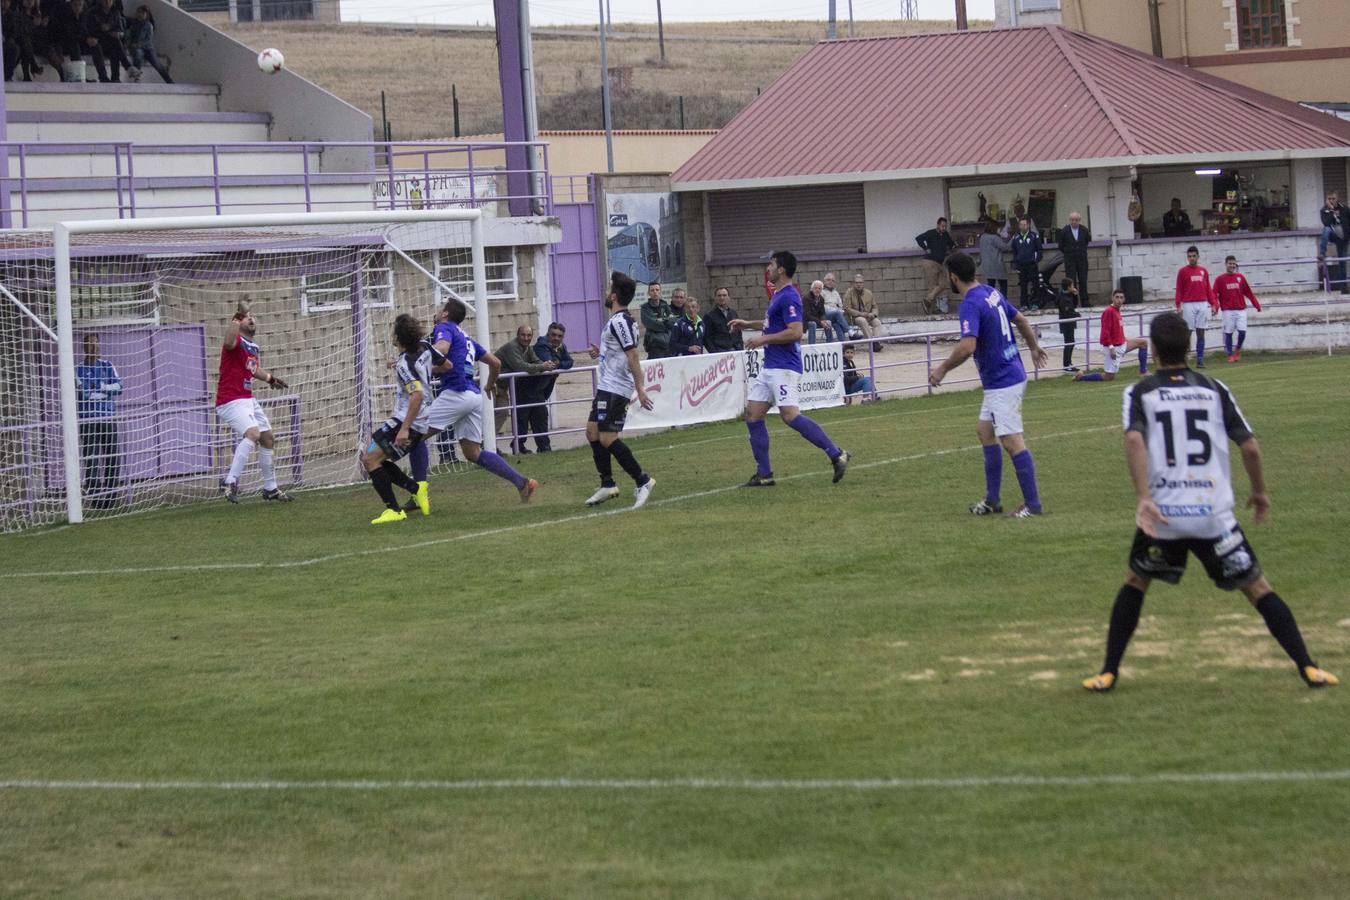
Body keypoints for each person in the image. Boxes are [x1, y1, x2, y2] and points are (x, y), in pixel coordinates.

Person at [1082, 311, 1338, 692]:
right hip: (1213, 517)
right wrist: (1259, 492)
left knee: (1136, 582)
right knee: (1258, 589)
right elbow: (1249, 446)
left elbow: (1134, 440)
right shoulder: (1215, 388)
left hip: (1164, 516)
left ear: (1152, 349)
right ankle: (1309, 667)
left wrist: (1142, 498)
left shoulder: (1140, 391)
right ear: (1188, 346)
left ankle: (1108, 673)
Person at [928, 252, 1049, 518]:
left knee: (1011, 440)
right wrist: (1033, 347)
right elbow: (1022, 320)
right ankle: (993, 500)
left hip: (1002, 381)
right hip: (1010, 373)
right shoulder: (990, 292)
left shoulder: (971, 303)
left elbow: (968, 346)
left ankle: (1033, 504)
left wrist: (942, 369)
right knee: (985, 431)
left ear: (953, 277)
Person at [729, 250, 850, 487]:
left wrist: (762, 340)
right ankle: (764, 474)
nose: (768, 269)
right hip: (771, 366)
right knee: (752, 415)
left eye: (772, 265)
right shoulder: (779, 295)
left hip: (784, 367)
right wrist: (749, 324)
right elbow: (772, 324)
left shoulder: (790, 296)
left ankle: (837, 454)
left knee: (790, 416)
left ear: (782, 269)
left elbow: (796, 331)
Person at [423, 297, 538, 503]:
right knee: (473, 452)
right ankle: (522, 483)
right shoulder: (466, 338)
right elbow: (495, 362)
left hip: (456, 393)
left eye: (441, 307)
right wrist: (490, 384)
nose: (438, 310)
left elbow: (441, 349)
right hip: (473, 396)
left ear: (446, 314)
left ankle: (413, 494)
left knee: (414, 434)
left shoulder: (444, 327)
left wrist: (417, 361)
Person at [584, 272, 656, 509]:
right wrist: (601, 354)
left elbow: (633, 354)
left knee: (606, 437)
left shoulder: (620, 321)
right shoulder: (619, 320)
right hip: (607, 385)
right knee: (593, 432)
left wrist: (640, 387)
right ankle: (607, 483)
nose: (606, 294)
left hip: (615, 388)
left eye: (608, 290)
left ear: (614, 295)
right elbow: (621, 351)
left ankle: (642, 480)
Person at [215, 302, 293, 504]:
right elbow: (229, 343)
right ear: (239, 322)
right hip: (230, 400)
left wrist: (270, 378)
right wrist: (237, 317)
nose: (251, 319)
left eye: (253, 316)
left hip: (247, 399)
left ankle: (270, 488)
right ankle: (229, 481)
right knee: (253, 434)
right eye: (247, 317)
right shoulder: (236, 340)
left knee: (267, 438)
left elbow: (253, 369)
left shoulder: (253, 346)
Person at [362, 314, 433, 525]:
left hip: (408, 420)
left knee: (370, 460)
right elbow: (445, 365)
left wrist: (404, 429)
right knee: (375, 459)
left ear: (398, 337)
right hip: (420, 419)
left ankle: (394, 510)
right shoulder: (425, 349)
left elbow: (417, 394)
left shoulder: (404, 364)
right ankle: (416, 489)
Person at [75, 333, 122, 509]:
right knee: (92, 460)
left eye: (96, 344)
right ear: (84, 348)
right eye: (90, 344)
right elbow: (85, 394)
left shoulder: (108, 366)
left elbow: (119, 387)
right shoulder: (77, 369)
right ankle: (96, 499)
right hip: (88, 420)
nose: (94, 347)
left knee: (112, 458)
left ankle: (110, 498)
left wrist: (102, 387)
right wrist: (104, 392)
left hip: (108, 418)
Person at [495, 325, 556, 453]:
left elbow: (536, 361)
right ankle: (487, 446)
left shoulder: (528, 348)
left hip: (502, 388)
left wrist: (546, 365)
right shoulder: (512, 347)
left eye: (529, 336)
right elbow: (521, 366)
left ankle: (489, 446)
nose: (526, 338)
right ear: (518, 335)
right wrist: (543, 366)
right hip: (489, 385)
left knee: (502, 413)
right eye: (523, 335)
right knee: (493, 414)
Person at [517, 321, 572, 452]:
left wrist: (558, 364)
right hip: (526, 388)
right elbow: (549, 363)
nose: (556, 338)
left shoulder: (561, 347)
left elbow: (570, 362)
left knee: (540, 417)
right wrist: (558, 363)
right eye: (553, 335)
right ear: (548, 334)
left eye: (559, 336)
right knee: (522, 419)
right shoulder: (541, 345)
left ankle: (543, 447)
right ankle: (519, 447)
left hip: (539, 390)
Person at [1073, 289, 1149, 382]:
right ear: (1112, 298)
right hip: (1113, 348)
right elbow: (1105, 332)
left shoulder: (1117, 310)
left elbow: (1117, 329)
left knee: (1143, 343)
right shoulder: (1109, 311)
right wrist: (1111, 348)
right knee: (1108, 377)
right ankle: (1081, 377)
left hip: (1122, 344)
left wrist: (1124, 338)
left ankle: (1143, 372)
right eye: (1117, 297)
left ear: (1124, 299)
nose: (1119, 300)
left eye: (1121, 297)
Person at [1175, 245, 1218, 368]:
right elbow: (1179, 289)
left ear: (1198, 256)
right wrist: (1178, 304)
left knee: (1201, 332)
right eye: (1189, 256)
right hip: (1189, 304)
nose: (1192, 258)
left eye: (1194, 256)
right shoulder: (1182, 271)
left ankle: (1200, 359)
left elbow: (1208, 289)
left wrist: (1213, 304)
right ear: (1187, 258)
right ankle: (1184, 358)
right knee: (1187, 333)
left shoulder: (1203, 271)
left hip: (1202, 304)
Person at [1213, 255, 1262, 362]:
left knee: (1242, 332)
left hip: (1241, 310)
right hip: (1227, 310)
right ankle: (1230, 355)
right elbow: (1214, 294)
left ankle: (1238, 349)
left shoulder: (1240, 277)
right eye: (1230, 263)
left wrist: (1256, 304)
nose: (1232, 266)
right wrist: (1215, 307)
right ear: (1226, 264)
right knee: (1229, 333)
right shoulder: (1220, 279)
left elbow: (1249, 292)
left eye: (1234, 264)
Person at [83, 0, 136, 82]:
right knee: (98, 46)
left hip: (109, 41)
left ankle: (116, 77)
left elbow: (121, 31)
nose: (107, 2)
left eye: (110, 0)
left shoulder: (116, 12)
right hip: (95, 41)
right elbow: (87, 29)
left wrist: (118, 33)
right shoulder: (92, 12)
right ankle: (104, 77)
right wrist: (100, 29)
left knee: (115, 43)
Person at [916, 217, 958, 314]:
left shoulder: (945, 235)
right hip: (930, 261)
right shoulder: (931, 233)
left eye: (945, 226)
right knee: (932, 285)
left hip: (940, 263)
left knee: (945, 283)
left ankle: (927, 299)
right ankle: (931, 310)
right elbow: (918, 238)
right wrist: (925, 248)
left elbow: (951, 244)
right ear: (938, 225)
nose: (944, 228)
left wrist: (955, 245)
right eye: (942, 226)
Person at [125, 5, 170, 83]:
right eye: (138, 12)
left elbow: (148, 40)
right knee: (138, 55)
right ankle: (137, 77)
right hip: (136, 47)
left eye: (142, 12)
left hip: (148, 48)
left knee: (157, 63)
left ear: (147, 14)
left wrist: (140, 44)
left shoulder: (149, 25)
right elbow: (129, 36)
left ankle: (169, 81)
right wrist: (130, 44)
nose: (140, 14)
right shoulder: (133, 24)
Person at [1058, 211, 1092, 308]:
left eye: (1076, 220)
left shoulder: (1084, 230)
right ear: (1069, 220)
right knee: (1071, 281)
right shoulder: (1064, 231)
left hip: (1082, 259)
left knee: (1083, 280)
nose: (1074, 222)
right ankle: (1073, 302)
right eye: (1072, 220)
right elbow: (1060, 245)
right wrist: (1068, 252)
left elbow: (1087, 241)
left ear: (1079, 220)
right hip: (1070, 260)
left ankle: (1085, 302)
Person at [1318, 191, 1349, 294]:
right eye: (1329, 199)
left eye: (1333, 198)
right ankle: (1322, 252)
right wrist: (1331, 211)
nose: (1331, 201)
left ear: (1337, 199)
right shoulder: (1324, 210)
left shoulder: (1344, 209)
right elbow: (1326, 223)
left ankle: (1343, 288)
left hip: (1342, 237)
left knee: (1342, 262)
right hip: (1332, 233)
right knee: (1326, 229)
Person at [1010, 217, 1043, 310]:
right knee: (1023, 285)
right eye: (1021, 225)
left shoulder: (1034, 236)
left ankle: (1035, 303)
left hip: (1032, 264)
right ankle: (1024, 304)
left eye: (1024, 225)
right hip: (1021, 265)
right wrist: (1016, 263)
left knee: (1035, 284)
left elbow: (1039, 249)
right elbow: (1014, 251)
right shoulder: (1016, 237)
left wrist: (1036, 259)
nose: (1023, 227)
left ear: (1028, 225)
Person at [844, 273, 882, 351]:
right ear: (853, 284)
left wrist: (873, 314)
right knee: (862, 320)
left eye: (860, 282)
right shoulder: (849, 293)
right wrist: (860, 314)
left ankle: (876, 342)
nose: (858, 284)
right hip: (855, 318)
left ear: (863, 283)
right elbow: (847, 308)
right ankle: (872, 344)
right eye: (856, 282)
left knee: (877, 322)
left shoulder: (869, 293)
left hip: (868, 315)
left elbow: (875, 306)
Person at [702, 286, 743, 353]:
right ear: (715, 298)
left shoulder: (733, 313)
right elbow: (707, 338)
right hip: (720, 352)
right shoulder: (709, 316)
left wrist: (740, 348)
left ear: (728, 297)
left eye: (724, 295)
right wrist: (714, 353)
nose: (722, 298)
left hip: (736, 351)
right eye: (719, 295)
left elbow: (739, 333)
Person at [640, 281, 675, 359]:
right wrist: (666, 322)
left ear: (660, 291)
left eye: (657, 290)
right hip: (654, 345)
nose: (655, 292)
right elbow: (651, 324)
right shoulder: (645, 308)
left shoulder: (665, 305)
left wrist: (662, 320)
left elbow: (673, 321)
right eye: (652, 290)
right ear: (648, 293)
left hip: (668, 344)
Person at [977, 219, 1011, 297]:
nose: (999, 230)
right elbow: (1005, 247)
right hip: (997, 265)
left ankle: (991, 305)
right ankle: (1003, 303)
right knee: (1003, 285)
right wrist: (1012, 239)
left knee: (990, 287)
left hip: (987, 267)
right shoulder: (994, 238)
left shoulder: (983, 237)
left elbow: (981, 252)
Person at [1054, 278, 1080, 372]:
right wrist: (1077, 315)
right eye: (1072, 286)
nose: (1073, 288)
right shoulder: (1063, 298)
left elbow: (1075, 305)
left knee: (1071, 343)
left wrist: (1075, 295)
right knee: (1069, 343)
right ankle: (1066, 364)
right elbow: (1067, 312)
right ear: (1068, 287)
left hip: (1070, 323)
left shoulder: (1068, 295)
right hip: (1067, 323)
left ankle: (1069, 362)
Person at [820, 272, 851, 343]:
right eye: (828, 280)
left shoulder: (836, 293)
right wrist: (835, 310)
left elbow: (840, 306)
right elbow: (821, 306)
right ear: (824, 281)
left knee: (837, 323)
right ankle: (849, 331)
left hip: (835, 316)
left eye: (832, 280)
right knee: (837, 313)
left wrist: (840, 311)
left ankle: (843, 345)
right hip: (824, 315)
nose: (830, 282)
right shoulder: (821, 291)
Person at [802, 280, 829, 345]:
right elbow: (807, 315)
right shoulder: (806, 298)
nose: (817, 290)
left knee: (828, 323)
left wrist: (823, 320)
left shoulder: (821, 299)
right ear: (812, 289)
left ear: (821, 290)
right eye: (815, 288)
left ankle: (829, 344)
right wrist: (820, 322)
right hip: (805, 321)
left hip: (817, 320)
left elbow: (822, 312)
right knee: (813, 324)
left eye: (819, 288)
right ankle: (812, 346)